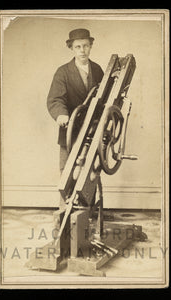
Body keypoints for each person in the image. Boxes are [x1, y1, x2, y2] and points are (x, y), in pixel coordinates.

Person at [47, 28, 104, 207]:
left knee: (91, 171)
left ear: (91, 46)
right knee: (68, 172)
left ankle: (89, 212)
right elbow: (55, 99)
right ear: (71, 48)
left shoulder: (98, 70)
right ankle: (65, 213)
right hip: (70, 131)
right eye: (78, 46)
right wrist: (61, 115)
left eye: (86, 46)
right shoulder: (63, 72)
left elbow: (106, 99)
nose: (82, 50)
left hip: (93, 131)